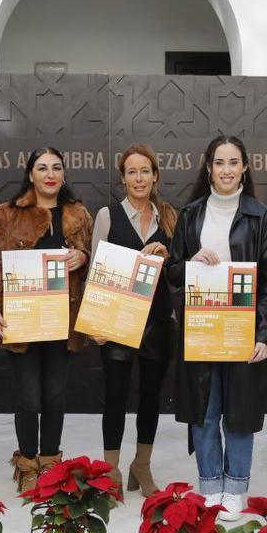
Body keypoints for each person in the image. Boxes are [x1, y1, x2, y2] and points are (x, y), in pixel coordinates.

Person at [166, 135, 267, 521]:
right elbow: (173, 271)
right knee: (205, 412)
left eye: (233, 162)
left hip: (242, 332)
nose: (226, 170)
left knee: (240, 413)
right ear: (208, 167)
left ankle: (236, 489)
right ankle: (210, 486)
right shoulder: (191, 213)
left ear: (245, 166)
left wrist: (264, 335)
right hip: (201, 329)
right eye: (219, 163)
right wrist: (191, 261)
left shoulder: (260, 216)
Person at [0, 147, 92, 493]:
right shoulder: (7, 214)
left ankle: (51, 463)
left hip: (63, 320)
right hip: (23, 321)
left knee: (55, 397)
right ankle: (28, 463)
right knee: (29, 398)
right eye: (42, 168)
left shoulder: (78, 214)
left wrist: (83, 256)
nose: (50, 174)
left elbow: (92, 266)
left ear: (63, 174)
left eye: (57, 168)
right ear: (30, 174)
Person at [89, 144, 178, 496]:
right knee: (114, 396)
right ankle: (110, 471)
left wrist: (168, 256)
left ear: (155, 175)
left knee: (151, 397)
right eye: (131, 172)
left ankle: (141, 466)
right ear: (122, 178)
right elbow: (97, 272)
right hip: (117, 322)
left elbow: (176, 274)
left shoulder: (169, 217)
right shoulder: (107, 216)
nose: (139, 178)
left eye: (145, 171)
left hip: (158, 321)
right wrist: (96, 323)